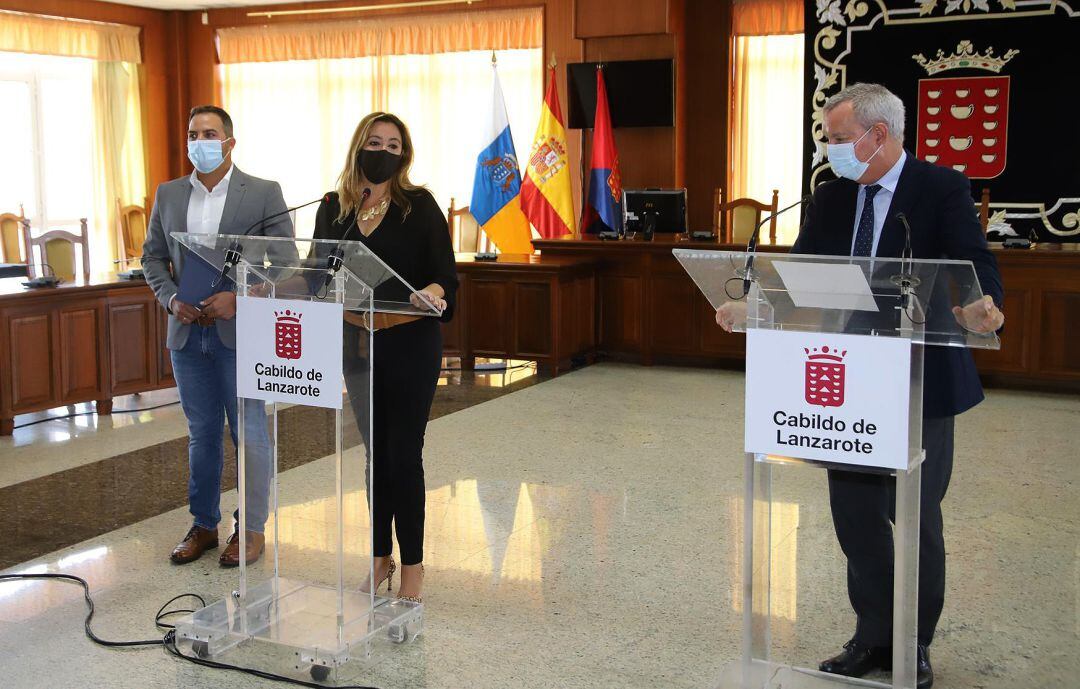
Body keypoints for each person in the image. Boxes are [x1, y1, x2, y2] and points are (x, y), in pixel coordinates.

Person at [717, 83, 1003, 688]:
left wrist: (983, 305)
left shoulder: (940, 188)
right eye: (828, 138)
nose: (832, 150)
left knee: (918, 514)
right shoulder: (830, 199)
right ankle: (872, 633)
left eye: (840, 138)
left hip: (920, 376)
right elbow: (797, 271)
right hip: (844, 375)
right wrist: (754, 306)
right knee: (853, 513)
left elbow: (973, 263)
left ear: (879, 134)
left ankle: (915, 644)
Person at [311, 112, 458, 603]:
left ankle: (413, 566)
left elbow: (445, 276)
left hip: (411, 343)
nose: (384, 151)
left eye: (394, 145)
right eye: (375, 142)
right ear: (358, 147)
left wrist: (430, 293)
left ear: (405, 155)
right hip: (357, 345)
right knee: (375, 459)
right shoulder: (334, 208)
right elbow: (316, 273)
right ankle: (379, 558)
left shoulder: (418, 205)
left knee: (403, 455)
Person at [143, 105, 294, 567]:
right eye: (192, 134)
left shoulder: (263, 193)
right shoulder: (168, 194)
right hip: (188, 336)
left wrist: (243, 298)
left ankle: (249, 530)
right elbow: (152, 259)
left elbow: (287, 265)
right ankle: (203, 525)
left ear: (230, 141)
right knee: (201, 434)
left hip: (240, 335)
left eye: (210, 133)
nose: (200, 142)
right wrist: (171, 299)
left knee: (249, 434)